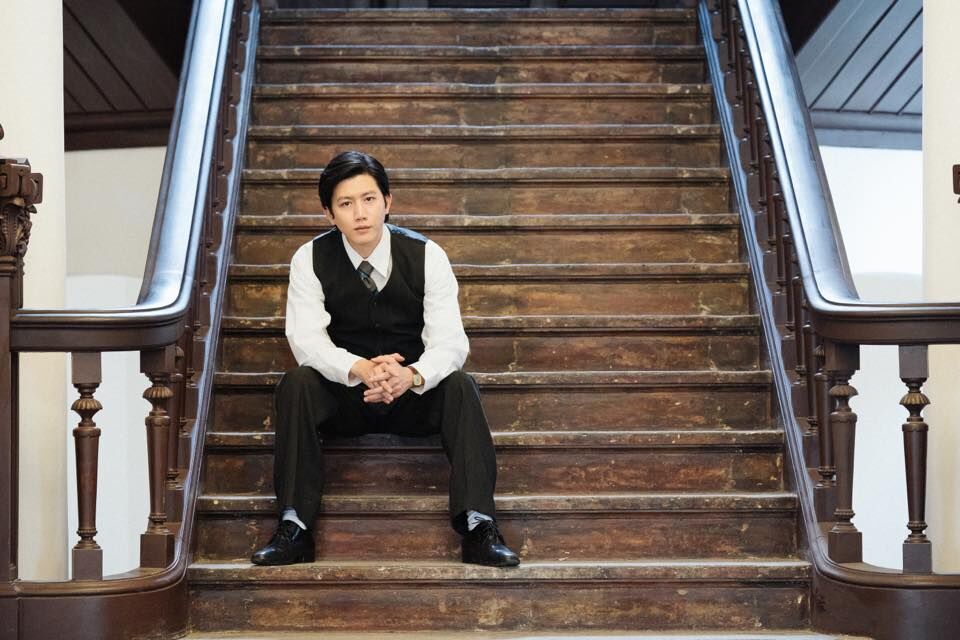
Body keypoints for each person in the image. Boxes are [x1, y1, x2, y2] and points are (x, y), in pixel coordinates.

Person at [251, 151, 519, 568]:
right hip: (348, 398)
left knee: (461, 385)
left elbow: (451, 342)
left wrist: (411, 375)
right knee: (297, 382)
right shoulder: (309, 259)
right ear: (328, 213)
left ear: (388, 201)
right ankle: (295, 526)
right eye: (345, 203)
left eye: (369, 199)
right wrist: (360, 368)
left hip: (412, 397)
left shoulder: (427, 254)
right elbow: (305, 340)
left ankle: (479, 526)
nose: (360, 213)